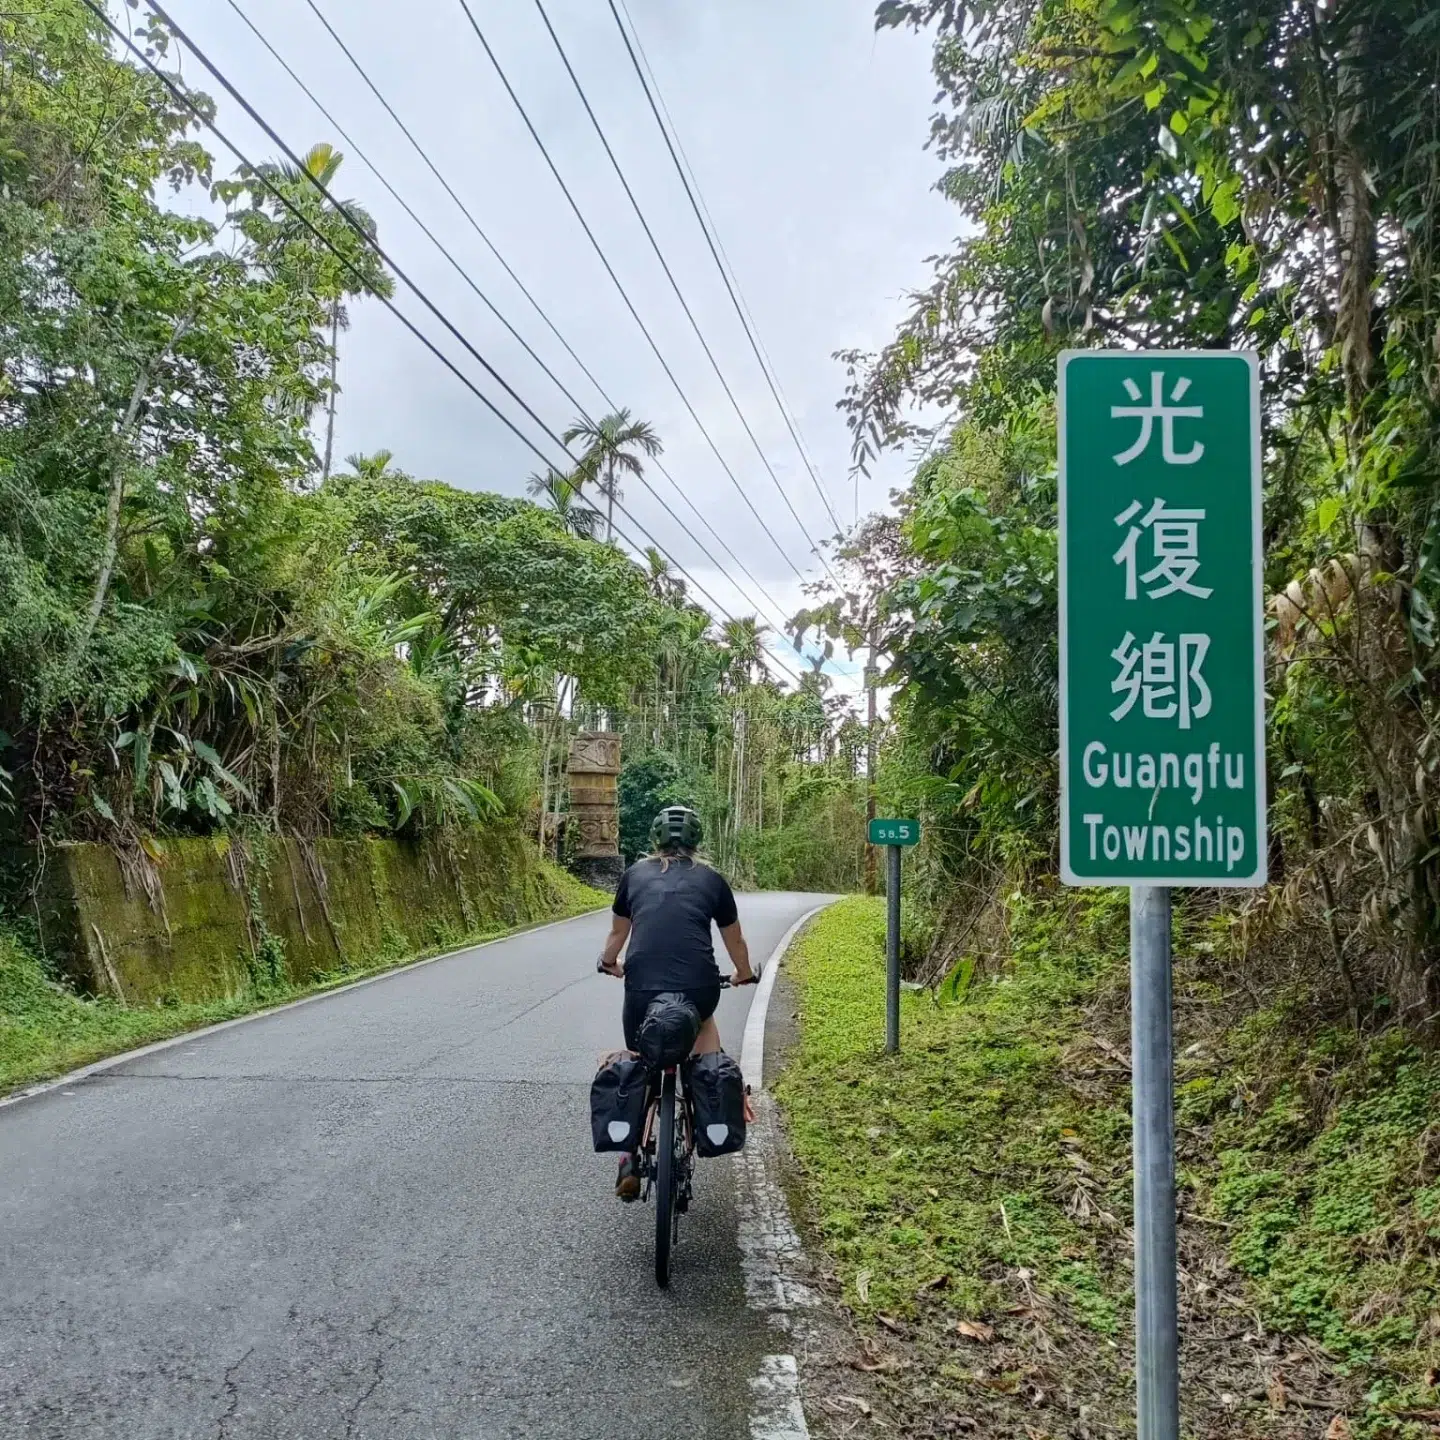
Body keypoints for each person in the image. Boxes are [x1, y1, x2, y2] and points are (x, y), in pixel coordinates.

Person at [596, 805, 754, 1200]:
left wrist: (608, 963)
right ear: (697, 841)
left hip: (643, 991)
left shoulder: (633, 876)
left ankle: (628, 1158)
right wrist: (743, 974)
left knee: (641, 1053)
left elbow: (618, 934)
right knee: (704, 1041)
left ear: (655, 840)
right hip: (699, 989)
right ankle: (706, 1112)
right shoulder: (712, 880)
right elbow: (735, 940)